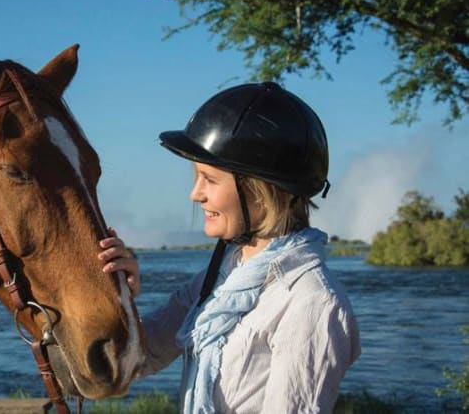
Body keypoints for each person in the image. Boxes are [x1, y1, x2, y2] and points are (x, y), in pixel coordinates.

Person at [99, 82, 361, 413]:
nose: (196, 194)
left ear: (261, 190)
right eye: (196, 178)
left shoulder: (311, 304)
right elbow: (133, 361)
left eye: (209, 179)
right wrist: (117, 294)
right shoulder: (220, 277)